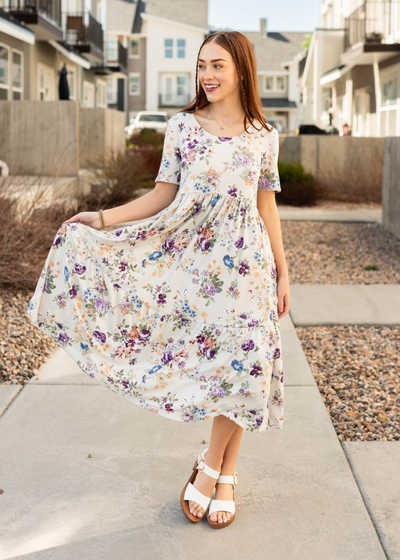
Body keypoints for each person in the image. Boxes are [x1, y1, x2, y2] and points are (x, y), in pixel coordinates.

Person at [26, 30, 290, 529]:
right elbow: (161, 197)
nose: (207, 75)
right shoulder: (183, 128)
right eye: (202, 66)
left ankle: (213, 468)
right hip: (199, 265)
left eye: (217, 66)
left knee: (248, 361)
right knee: (222, 368)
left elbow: (266, 204)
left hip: (250, 264)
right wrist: (102, 220)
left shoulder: (264, 135)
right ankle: (225, 471)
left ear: (241, 70)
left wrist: (282, 270)